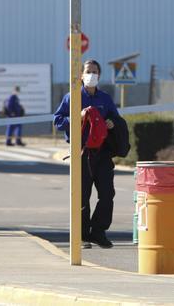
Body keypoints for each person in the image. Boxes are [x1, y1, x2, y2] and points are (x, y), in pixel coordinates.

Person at [54, 59, 122, 249]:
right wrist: (78, 116)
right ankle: (82, 235)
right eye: (88, 71)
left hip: (102, 154)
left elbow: (116, 119)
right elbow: (58, 120)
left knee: (107, 194)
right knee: (82, 196)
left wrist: (112, 123)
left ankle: (98, 232)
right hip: (81, 153)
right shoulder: (72, 97)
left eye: (94, 71)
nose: (91, 75)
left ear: (99, 76)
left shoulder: (105, 99)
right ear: (82, 75)